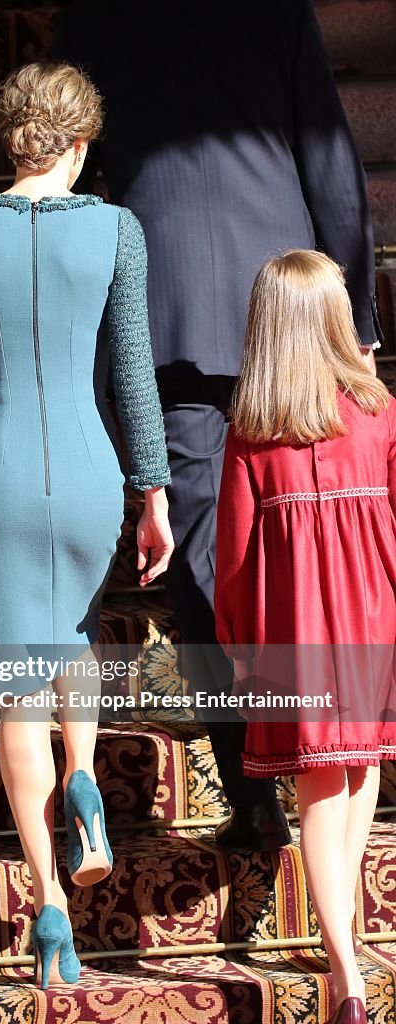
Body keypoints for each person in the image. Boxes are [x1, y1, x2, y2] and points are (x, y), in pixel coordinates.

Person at [51, 0, 384, 851]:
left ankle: (253, 793)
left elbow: (66, 167)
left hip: (165, 317)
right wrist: (365, 322)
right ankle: (341, 755)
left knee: (207, 566)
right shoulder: (275, 8)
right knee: (315, 543)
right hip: (289, 315)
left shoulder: (95, 22)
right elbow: (328, 161)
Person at [0, 61, 174, 990]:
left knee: (16, 678)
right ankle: (87, 776)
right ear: (82, 142)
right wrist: (154, 490)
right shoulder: (117, 230)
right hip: (94, 472)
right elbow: (134, 372)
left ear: (12, 136)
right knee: (72, 636)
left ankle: (51, 901)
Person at [214, 250, 395, 1024]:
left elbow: (232, 554)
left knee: (325, 782)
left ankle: (344, 970)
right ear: (333, 319)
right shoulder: (380, 412)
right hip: (376, 618)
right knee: (358, 775)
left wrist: (240, 642)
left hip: (300, 635)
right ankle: (345, 952)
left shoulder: (252, 433)